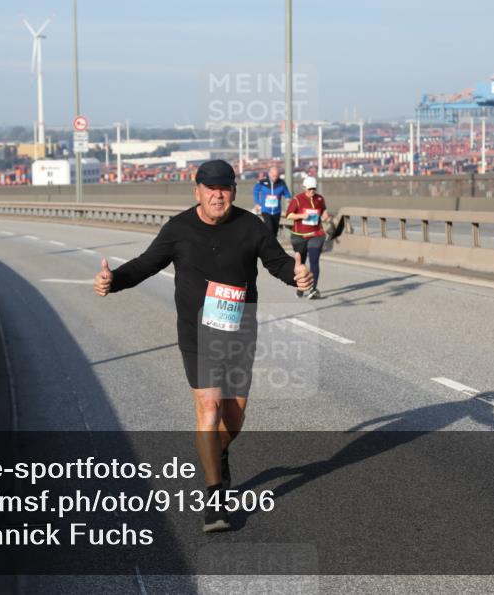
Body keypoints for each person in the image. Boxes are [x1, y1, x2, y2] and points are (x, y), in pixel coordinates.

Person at [93, 160, 313, 532]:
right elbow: (146, 264)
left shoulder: (250, 226)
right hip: (198, 334)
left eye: (224, 188)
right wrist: (112, 280)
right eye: (210, 188)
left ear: (233, 192)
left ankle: (216, 451)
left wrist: (298, 275)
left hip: (240, 331)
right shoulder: (179, 229)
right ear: (197, 191)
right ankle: (215, 498)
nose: (217, 194)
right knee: (208, 408)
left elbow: (277, 263)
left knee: (234, 418)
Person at [286, 176, 330, 300]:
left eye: (314, 189)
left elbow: (323, 211)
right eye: (310, 189)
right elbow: (289, 215)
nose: (312, 191)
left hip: (316, 234)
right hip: (299, 236)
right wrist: (302, 215)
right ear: (304, 188)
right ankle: (300, 287)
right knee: (301, 263)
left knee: (314, 261)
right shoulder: (297, 199)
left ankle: (313, 289)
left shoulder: (320, 199)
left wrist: (326, 215)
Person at [252, 165, 291, 238]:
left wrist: (288, 198)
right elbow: (255, 191)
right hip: (266, 210)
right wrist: (257, 203)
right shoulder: (262, 182)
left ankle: (272, 245)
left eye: (277, 176)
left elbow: (286, 192)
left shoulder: (281, 183)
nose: (275, 178)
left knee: (275, 231)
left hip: (277, 211)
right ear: (269, 174)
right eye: (273, 176)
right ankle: (268, 246)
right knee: (270, 228)